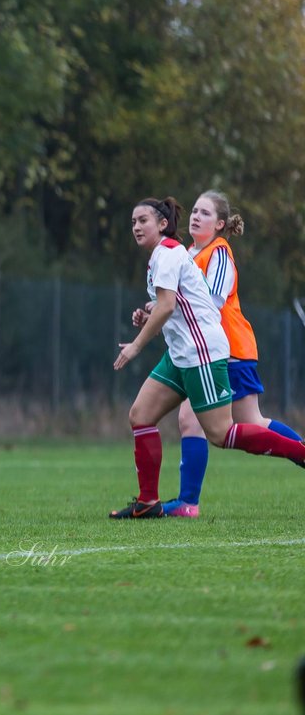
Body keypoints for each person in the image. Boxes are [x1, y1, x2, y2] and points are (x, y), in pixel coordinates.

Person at [110, 197, 305, 518]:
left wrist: (136, 345)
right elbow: (173, 307)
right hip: (181, 354)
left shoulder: (170, 253)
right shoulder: (168, 255)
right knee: (140, 415)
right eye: (132, 222)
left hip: (201, 353)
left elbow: (171, 306)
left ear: (162, 224)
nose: (136, 227)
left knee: (222, 433)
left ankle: (300, 451)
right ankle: (148, 503)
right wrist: (151, 317)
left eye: (143, 220)